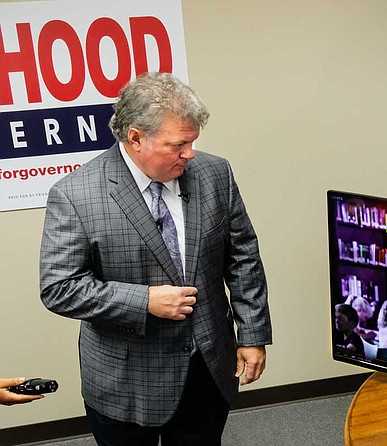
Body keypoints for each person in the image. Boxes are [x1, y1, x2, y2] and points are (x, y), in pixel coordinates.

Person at [39, 72, 271, 445]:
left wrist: (253, 334)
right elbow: (59, 289)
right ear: (135, 138)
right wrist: (144, 301)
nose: (190, 154)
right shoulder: (75, 195)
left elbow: (243, 257)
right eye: (178, 144)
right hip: (127, 382)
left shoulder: (215, 173)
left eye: (193, 142)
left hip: (208, 367)